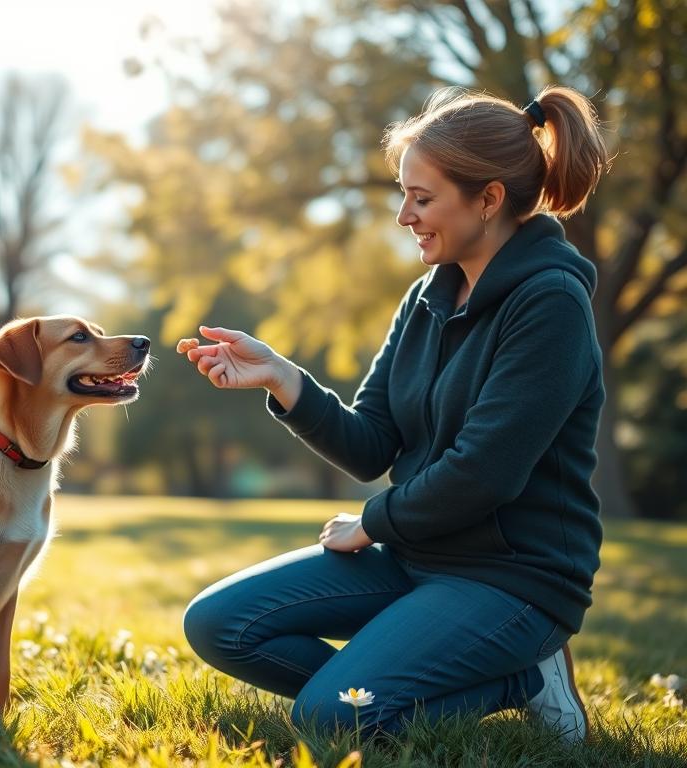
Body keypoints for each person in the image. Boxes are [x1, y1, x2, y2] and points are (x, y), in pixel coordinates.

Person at [179, 85, 609, 743]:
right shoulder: (428, 295)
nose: (405, 215)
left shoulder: (550, 304)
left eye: (423, 197)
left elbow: (484, 474)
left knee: (330, 718)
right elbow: (372, 443)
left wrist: (373, 523)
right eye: (403, 195)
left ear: (489, 199)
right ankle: (388, 686)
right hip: (418, 556)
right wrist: (283, 378)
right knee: (217, 623)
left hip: (514, 579)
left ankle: (523, 675)